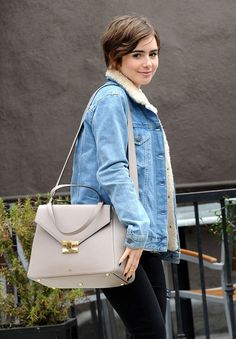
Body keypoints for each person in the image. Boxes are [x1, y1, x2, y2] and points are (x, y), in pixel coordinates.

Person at [71, 15, 179, 339]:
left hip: (138, 236)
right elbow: (112, 170)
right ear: (115, 57)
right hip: (117, 235)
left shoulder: (134, 101)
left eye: (153, 53)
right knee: (150, 331)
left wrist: (141, 232)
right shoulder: (112, 99)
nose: (148, 63)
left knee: (147, 330)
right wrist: (138, 228)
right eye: (137, 55)